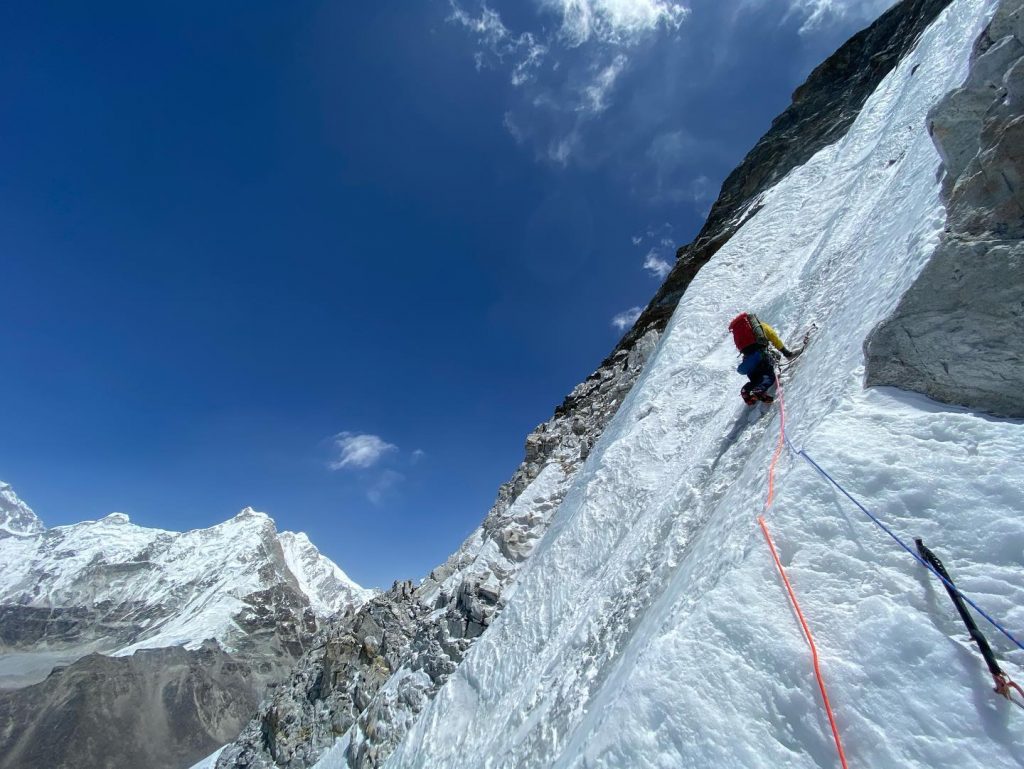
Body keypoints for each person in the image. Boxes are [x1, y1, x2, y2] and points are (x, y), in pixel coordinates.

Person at [728, 312, 795, 406]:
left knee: (756, 380)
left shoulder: (739, 334)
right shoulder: (760, 327)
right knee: (769, 376)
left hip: (748, 362)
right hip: (761, 357)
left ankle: (746, 390)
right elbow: (774, 337)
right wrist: (785, 352)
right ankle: (759, 391)